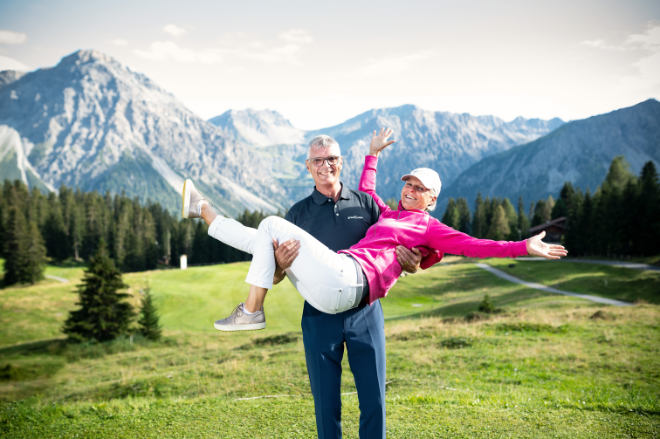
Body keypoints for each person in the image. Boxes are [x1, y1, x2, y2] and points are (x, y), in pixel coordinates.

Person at [183, 128, 566, 316]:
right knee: (262, 237)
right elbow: (365, 194)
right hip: (326, 291)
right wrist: (372, 156)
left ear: (432, 200)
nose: (411, 190)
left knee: (267, 225)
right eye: (409, 184)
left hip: (350, 280)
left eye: (420, 189)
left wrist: (522, 246)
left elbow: (473, 244)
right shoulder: (388, 214)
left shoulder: (428, 228)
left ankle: (250, 311)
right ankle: (203, 210)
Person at [187, 132, 423, 438]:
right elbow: (272, 275)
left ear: (342, 162)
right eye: (318, 160)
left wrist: (412, 263)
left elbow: (394, 252)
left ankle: (205, 211)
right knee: (326, 405)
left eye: (332, 159)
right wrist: (281, 266)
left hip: (365, 313)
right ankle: (205, 211)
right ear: (308, 167)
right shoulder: (297, 214)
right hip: (319, 316)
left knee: (374, 401)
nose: (326, 165)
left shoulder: (368, 204)